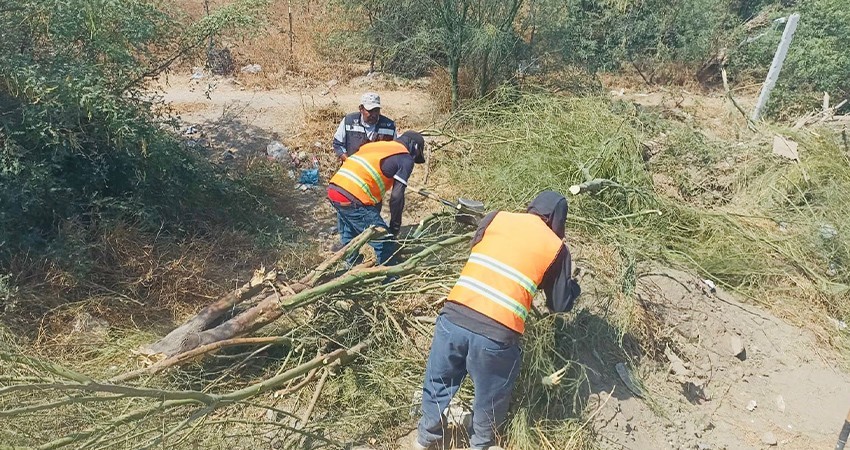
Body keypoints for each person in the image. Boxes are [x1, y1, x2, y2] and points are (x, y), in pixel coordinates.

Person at [411, 191, 582, 450]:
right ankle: (481, 444)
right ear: (558, 220)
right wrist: (573, 289)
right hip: (495, 334)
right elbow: (558, 305)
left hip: (453, 316)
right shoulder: (556, 248)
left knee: (439, 381)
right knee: (490, 395)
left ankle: (425, 439)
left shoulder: (495, 218)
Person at [327, 131, 425, 265]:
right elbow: (396, 197)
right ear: (414, 147)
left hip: (335, 189)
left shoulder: (378, 145)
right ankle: (391, 279)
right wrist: (394, 228)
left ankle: (349, 269)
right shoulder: (405, 157)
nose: (413, 159)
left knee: (349, 233)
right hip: (354, 196)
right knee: (385, 243)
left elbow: (369, 177)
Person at [332, 92, 397, 160]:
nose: (374, 114)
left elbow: (395, 150)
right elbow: (338, 144)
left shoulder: (390, 126)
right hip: (354, 167)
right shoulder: (349, 121)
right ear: (361, 109)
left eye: (376, 110)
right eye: (370, 111)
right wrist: (349, 162)